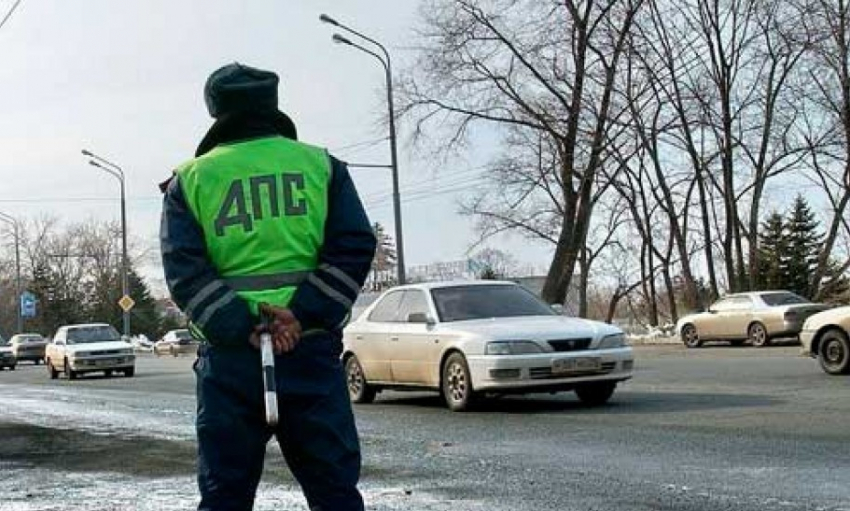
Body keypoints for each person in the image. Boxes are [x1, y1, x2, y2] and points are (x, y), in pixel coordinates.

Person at [160, 62, 377, 511]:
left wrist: (243, 324)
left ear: (215, 111)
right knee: (335, 491)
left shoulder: (192, 179)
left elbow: (185, 270)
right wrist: (302, 313)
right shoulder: (321, 166)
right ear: (272, 104)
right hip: (309, 351)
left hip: (232, 361)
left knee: (225, 495)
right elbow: (352, 246)